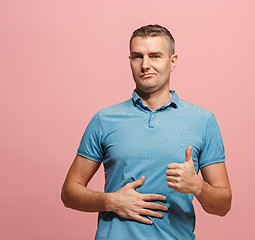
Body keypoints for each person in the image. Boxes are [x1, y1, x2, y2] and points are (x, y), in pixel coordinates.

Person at [61, 24, 232, 240]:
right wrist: (110, 201)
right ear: (130, 61)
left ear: (173, 61)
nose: (145, 65)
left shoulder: (203, 121)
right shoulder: (104, 119)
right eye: (137, 56)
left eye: (155, 56)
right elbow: (69, 193)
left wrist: (198, 187)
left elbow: (223, 205)